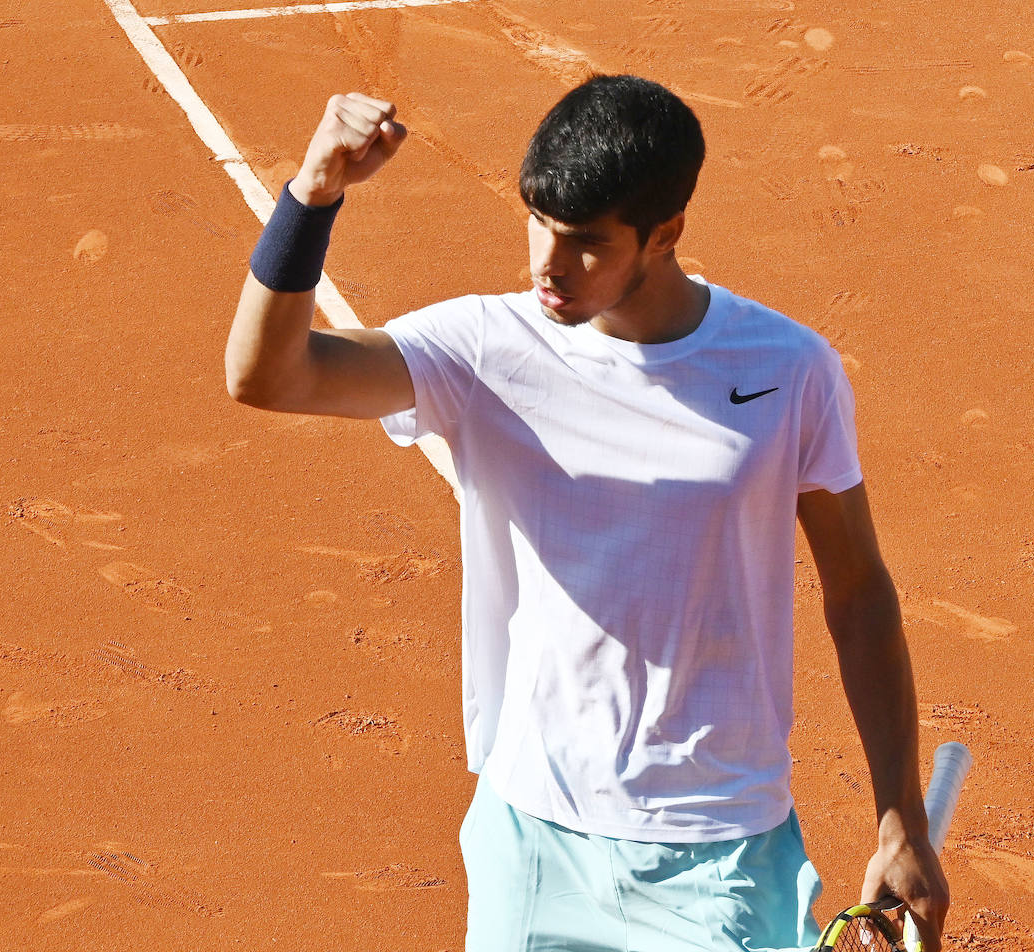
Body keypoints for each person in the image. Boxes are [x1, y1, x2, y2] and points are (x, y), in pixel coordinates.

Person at [226, 75, 948, 952]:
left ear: (666, 232)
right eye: (537, 223)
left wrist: (899, 818)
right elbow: (267, 375)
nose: (548, 264)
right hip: (532, 836)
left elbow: (859, 590)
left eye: (585, 243)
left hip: (718, 848)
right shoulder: (487, 348)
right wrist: (312, 194)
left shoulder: (790, 368)